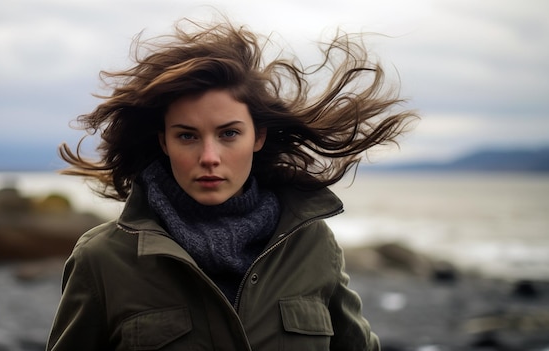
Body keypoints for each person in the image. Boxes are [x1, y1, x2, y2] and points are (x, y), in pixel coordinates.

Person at [46, 17, 416, 351]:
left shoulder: (311, 244)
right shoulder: (102, 260)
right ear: (164, 142)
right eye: (188, 136)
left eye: (229, 134)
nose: (209, 156)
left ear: (258, 137)